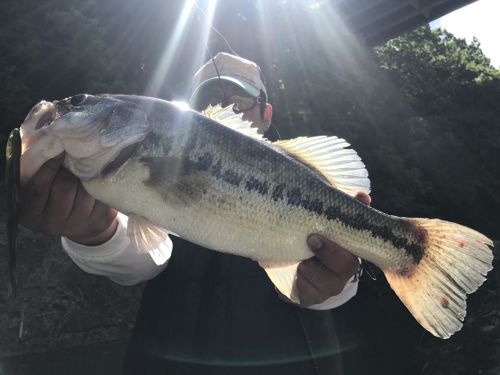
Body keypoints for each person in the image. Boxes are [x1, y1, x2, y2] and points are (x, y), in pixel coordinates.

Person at [18, 52, 371, 374]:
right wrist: (96, 233)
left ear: (267, 113)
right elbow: (143, 254)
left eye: (241, 101)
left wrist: (335, 285)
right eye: (211, 100)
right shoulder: (125, 172)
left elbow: (337, 278)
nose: (229, 110)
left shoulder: (304, 177)